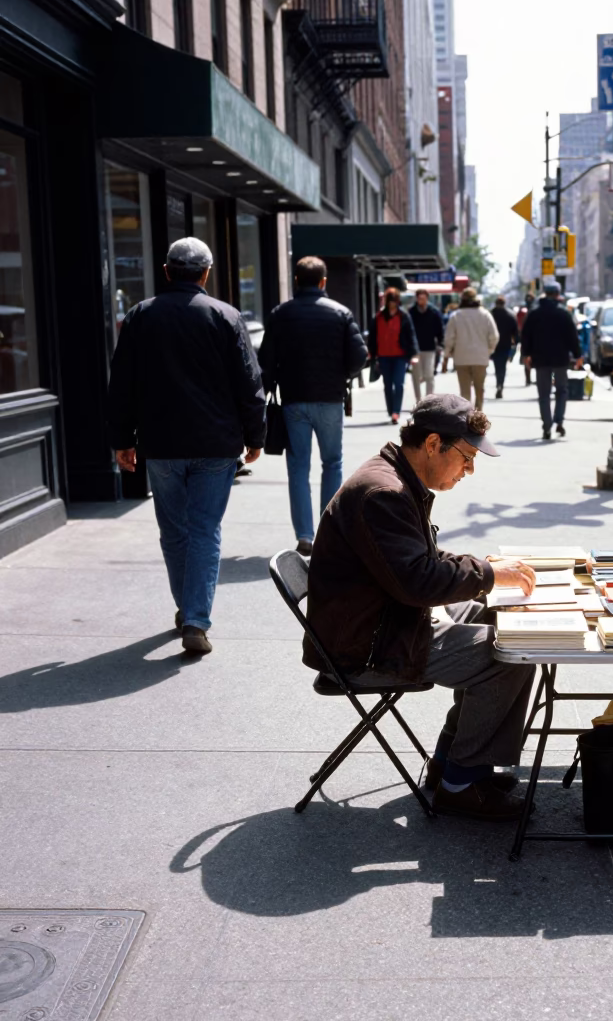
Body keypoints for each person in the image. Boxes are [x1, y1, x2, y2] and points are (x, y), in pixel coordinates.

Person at [304, 394, 538, 821]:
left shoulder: (394, 479)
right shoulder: (384, 493)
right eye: (466, 457)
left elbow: (416, 562)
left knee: (499, 620)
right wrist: (486, 574)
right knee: (511, 654)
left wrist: (486, 573)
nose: (469, 470)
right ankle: (461, 784)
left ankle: (453, 763)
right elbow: (418, 581)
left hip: (384, 620)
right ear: (433, 444)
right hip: (368, 646)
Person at [107, 237, 266, 655]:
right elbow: (250, 384)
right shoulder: (225, 316)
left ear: (166, 271)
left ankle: (188, 609)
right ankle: (196, 617)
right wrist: (256, 437)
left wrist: (123, 439)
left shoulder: (141, 316)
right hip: (216, 444)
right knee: (205, 530)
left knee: (174, 530)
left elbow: (121, 383)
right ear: (206, 273)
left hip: (162, 443)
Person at [258, 256, 368, 557]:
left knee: (297, 468)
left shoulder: (281, 314)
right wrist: (341, 374)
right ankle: (327, 531)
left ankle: (304, 535)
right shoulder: (340, 313)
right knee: (332, 464)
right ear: (323, 282)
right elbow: (360, 357)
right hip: (331, 399)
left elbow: (266, 363)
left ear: (296, 280)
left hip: (294, 400)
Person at [519, 281, 582, 440]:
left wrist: (526, 354)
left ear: (545, 294)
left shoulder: (534, 313)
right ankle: (559, 421)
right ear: (558, 294)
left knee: (544, 394)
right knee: (561, 390)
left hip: (540, 359)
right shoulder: (564, 314)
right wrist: (578, 355)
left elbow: (526, 335)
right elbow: (572, 337)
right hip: (560, 359)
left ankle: (547, 426)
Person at [443, 287, 499, 410]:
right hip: (480, 357)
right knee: (480, 388)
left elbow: (449, 338)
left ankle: (466, 415)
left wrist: (447, 354)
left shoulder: (456, 316)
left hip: (461, 358)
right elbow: (494, 336)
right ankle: (478, 415)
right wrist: (489, 350)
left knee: (464, 390)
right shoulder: (485, 314)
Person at [368, 287, 418, 424]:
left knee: (399, 384)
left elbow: (411, 335)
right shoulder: (378, 317)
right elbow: (372, 337)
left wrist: (413, 354)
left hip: (400, 356)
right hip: (383, 356)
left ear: (397, 301)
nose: (392, 303)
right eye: (389, 301)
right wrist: (371, 353)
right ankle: (391, 411)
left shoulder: (403, 316)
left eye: (394, 301)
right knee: (388, 385)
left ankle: (396, 412)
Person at [409, 288, 444, 401]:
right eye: (419, 298)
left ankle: (428, 400)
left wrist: (440, 343)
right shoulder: (411, 312)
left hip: (430, 348)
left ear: (427, 299)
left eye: (423, 299)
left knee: (429, 375)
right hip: (415, 350)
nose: (421, 301)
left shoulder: (434, 312)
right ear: (417, 299)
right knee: (416, 376)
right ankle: (418, 400)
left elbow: (440, 329)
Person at [489, 295, 519, 399]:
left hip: (493, 345)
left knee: (497, 366)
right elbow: (515, 332)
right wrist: (516, 343)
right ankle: (500, 384)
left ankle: (499, 383)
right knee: (503, 366)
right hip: (505, 345)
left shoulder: (491, 314)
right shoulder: (510, 315)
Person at [517, 293, 536, 385]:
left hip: (527, 339)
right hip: (534, 340)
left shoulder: (524, 310)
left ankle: (528, 379)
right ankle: (529, 379)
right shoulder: (535, 310)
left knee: (527, 360)